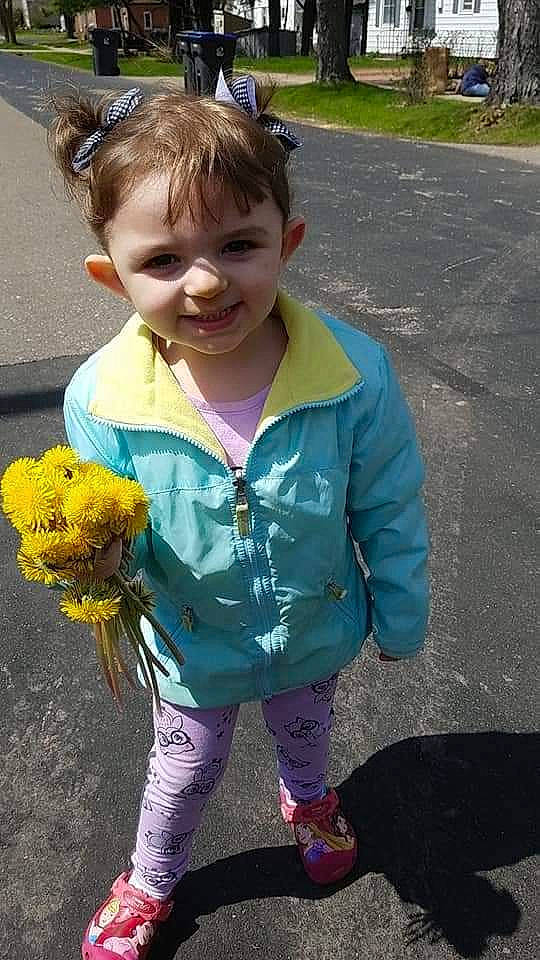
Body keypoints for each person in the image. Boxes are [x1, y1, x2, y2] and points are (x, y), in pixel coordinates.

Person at [49, 72, 430, 960]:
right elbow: (111, 528)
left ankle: (309, 798)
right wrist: (98, 564)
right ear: (113, 276)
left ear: (287, 242)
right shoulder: (103, 402)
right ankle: (152, 877)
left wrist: (399, 612)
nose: (208, 282)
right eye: (164, 260)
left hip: (315, 629)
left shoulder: (352, 374)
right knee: (182, 772)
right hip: (192, 646)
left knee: (308, 732)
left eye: (239, 243)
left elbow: (388, 502)